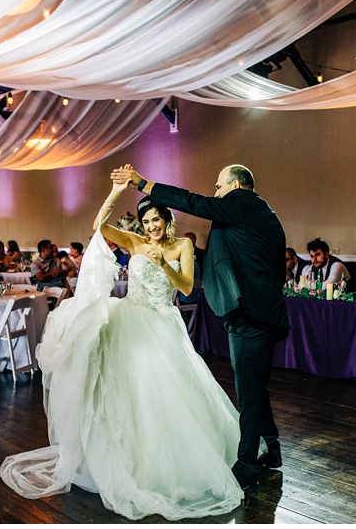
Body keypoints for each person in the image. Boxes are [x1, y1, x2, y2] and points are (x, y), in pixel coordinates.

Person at [1, 176, 247, 520]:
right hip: (130, 319)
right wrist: (117, 190)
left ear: (167, 220)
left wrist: (164, 264)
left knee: (168, 390)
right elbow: (99, 226)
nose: (152, 227)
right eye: (146, 222)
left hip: (163, 321)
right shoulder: (134, 241)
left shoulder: (182, 247)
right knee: (127, 390)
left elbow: (188, 287)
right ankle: (127, 460)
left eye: (156, 220)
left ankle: (176, 460)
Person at [112, 163, 288, 493]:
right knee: (253, 387)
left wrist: (142, 183)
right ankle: (272, 448)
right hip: (253, 312)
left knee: (249, 391)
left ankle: (247, 464)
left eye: (219, 187)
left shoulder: (244, 203)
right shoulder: (256, 219)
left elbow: (197, 202)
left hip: (251, 316)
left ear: (236, 185)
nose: (216, 192)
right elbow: (252, 263)